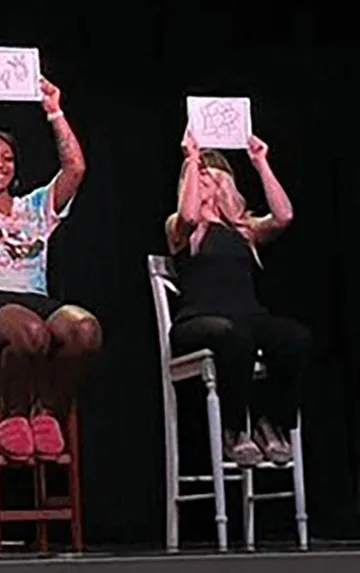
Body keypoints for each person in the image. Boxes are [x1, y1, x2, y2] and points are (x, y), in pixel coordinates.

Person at [0, 74, 101, 462]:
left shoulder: (34, 206)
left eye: (7, 158)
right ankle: (12, 415)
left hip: (34, 299)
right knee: (30, 331)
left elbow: (75, 168)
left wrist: (54, 111)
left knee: (85, 329)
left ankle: (48, 414)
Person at [166, 130, 309, 467]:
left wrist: (260, 162)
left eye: (210, 177)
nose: (203, 182)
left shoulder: (244, 230)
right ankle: (235, 429)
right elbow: (188, 215)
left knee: (294, 338)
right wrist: (191, 159)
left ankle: (271, 422)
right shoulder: (183, 227)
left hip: (248, 318)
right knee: (234, 334)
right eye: (197, 178)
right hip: (198, 320)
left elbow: (284, 216)